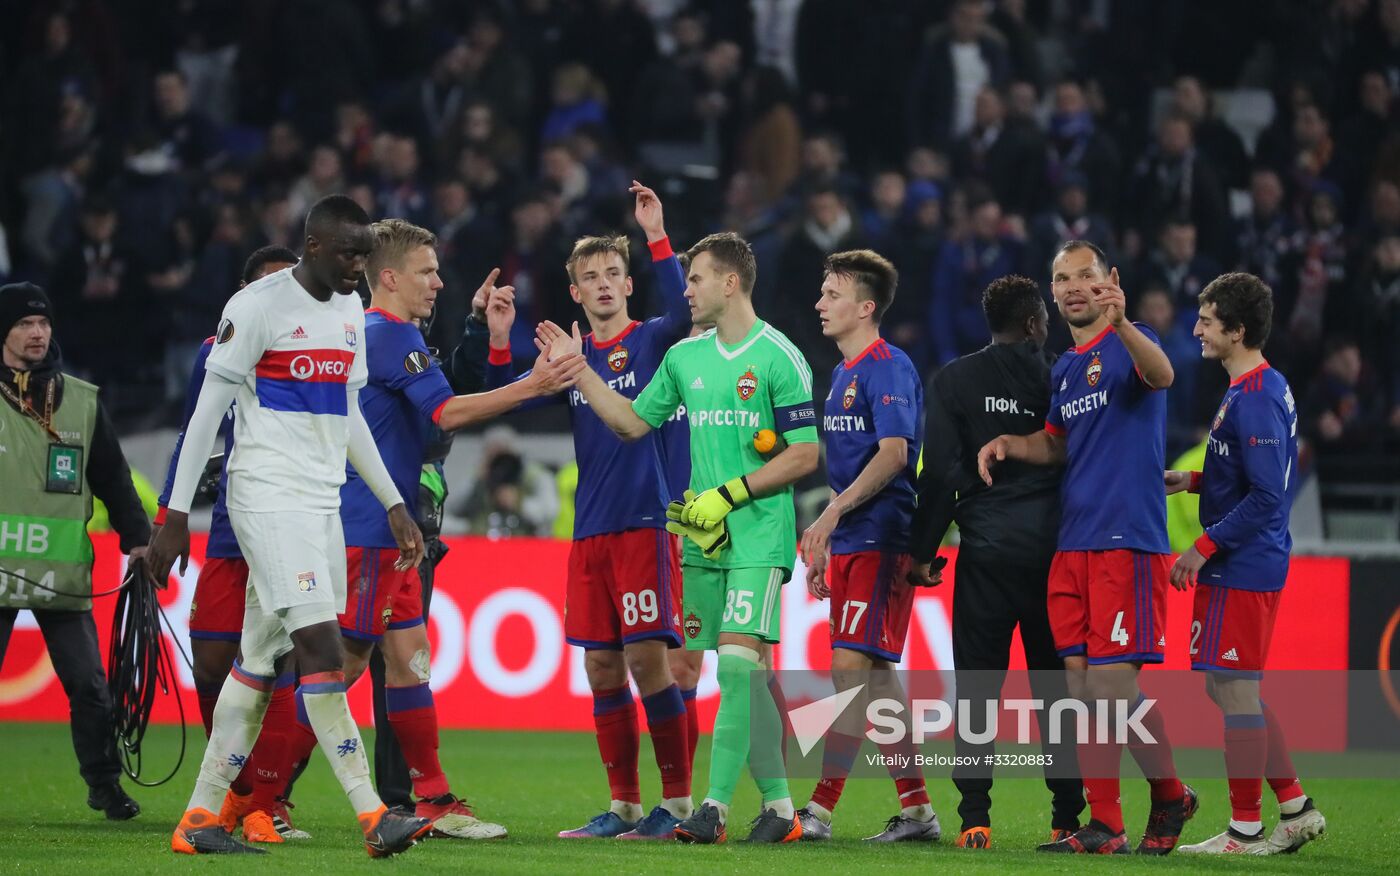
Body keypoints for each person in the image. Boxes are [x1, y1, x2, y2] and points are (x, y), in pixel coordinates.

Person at [262, 219, 586, 843]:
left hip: (398, 531)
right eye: (426, 271)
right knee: (346, 666)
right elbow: (448, 411)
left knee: (409, 665)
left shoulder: (388, 335)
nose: (439, 281)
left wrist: (501, 355)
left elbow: (444, 419)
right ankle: (261, 795)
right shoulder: (385, 336)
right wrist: (536, 382)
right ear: (389, 277)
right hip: (366, 529)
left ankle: (433, 800)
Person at [148, 195, 432, 857]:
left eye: (365, 256)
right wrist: (173, 517)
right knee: (322, 653)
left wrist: (393, 502)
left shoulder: (349, 315)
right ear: (313, 247)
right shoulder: (256, 309)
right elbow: (203, 417)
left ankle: (198, 818)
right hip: (265, 498)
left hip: (320, 502)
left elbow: (350, 412)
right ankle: (373, 815)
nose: (358, 268)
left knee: (257, 662)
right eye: (348, 255)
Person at [551, 231, 819, 844]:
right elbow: (627, 423)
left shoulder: (780, 355)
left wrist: (729, 495)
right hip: (700, 539)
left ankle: (711, 810)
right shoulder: (683, 360)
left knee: (737, 671)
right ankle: (780, 808)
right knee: (727, 673)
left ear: (729, 282)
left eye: (694, 278)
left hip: (756, 533)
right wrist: (580, 371)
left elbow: (805, 453)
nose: (685, 289)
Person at [494, 182, 701, 840]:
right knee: (601, 667)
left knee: (649, 662)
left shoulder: (657, 341)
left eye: (614, 273)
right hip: (590, 535)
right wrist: (501, 344)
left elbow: (685, 304)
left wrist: (657, 233)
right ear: (576, 293)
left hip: (647, 523)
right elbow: (515, 402)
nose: (605, 283)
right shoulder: (568, 358)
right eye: (591, 277)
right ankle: (626, 807)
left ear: (628, 286)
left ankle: (679, 805)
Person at [977, 241, 1194, 855]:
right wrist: (1011, 445)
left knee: (1112, 692)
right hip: (1071, 544)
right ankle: (1106, 825)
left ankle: (1171, 793)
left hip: (1127, 540)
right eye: (1062, 279)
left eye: (1085, 276)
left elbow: (1164, 376)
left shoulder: (1131, 344)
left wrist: (1124, 321)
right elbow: (1056, 443)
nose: (1073, 287)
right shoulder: (1067, 369)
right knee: (1077, 691)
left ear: (1111, 282)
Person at [910, 274, 1085, 849]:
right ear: (1036, 323)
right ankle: (1067, 817)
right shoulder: (1063, 375)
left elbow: (937, 473)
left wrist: (921, 552)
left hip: (985, 555)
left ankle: (975, 819)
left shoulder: (956, 379)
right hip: (1052, 559)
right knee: (1054, 691)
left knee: (979, 689)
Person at [1168, 273, 1326, 855]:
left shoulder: (1255, 396)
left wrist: (1200, 546)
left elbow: (1266, 498)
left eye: (1208, 322)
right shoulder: (1255, 387)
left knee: (1233, 689)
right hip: (1243, 563)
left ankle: (1244, 829)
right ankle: (1294, 805)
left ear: (1236, 331)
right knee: (1231, 687)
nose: (1197, 330)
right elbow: (1248, 480)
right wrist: (1192, 481)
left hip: (1244, 564)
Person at [154, 244, 303, 839]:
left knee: (283, 667)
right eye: (264, 285)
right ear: (242, 295)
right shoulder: (216, 352)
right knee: (213, 663)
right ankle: (236, 793)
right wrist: (173, 513)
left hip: (292, 524)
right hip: (227, 529)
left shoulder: (316, 353)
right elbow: (196, 429)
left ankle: (270, 804)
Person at [794, 250, 940, 843]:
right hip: (854, 538)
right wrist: (833, 534)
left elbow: (895, 453)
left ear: (865, 307)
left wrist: (830, 513)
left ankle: (820, 811)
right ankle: (918, 813)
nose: (820, 304)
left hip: (883, 536)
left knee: (848, 673)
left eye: (832, 294)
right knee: (877, 678)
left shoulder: (889, 366)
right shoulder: (840, 376)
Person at [0, 281, 146, 821]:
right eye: (23, 324)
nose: (37, 333)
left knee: (91, 688)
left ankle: (105, 788)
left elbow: (113, 476)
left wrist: (139, 539)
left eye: (43, 323)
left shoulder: (81, 401)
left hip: (58, 574)